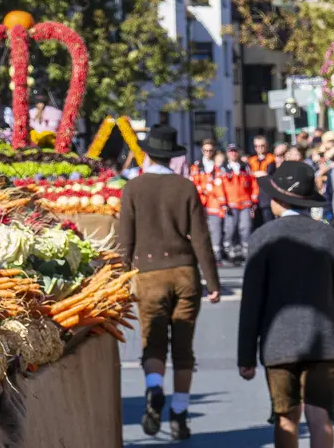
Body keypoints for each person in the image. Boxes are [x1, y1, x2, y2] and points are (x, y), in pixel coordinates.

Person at [238, 161, 334, 448]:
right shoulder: (330, 236)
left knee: (286, 417)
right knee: (321, 417)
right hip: (326, 342)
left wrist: (245, 356)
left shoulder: (263, 238)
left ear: (278, 199)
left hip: (279, 343)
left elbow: (252, 302)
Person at [118, 125, 221, 440]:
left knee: (153, 340)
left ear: (148, 153)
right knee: (184, 348)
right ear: (172, 155)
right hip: (184, 272)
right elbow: (201, 238)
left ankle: (154, 388)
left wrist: (123, 277)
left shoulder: (133, 188)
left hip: (149, 274)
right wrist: (212, 281)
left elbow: (126, 241)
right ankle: (179, 412)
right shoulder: (185, 187)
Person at [220, 144, 258, 263]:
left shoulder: (245, 167)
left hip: (245, 203)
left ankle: (245, 251)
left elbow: (253, 184)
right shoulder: (223, 168)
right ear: (227, 153)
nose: (233, 153)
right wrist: (223, 202)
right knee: (230, 229)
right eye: (231, 151)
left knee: (245, 228)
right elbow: (219, 186)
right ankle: (230, 252)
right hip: (230, 204)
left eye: (235, 151)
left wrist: (254, 200)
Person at [248, 135, 278, 228]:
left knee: (268, 223)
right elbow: (248, 174)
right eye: (257, 146)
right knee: (256, 224)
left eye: (262, 146)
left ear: (266, 146)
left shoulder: (271, 159)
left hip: (266, 196)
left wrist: (254, 173)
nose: (259, 148)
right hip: (254, 196)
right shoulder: (251, 160)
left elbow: (268, 173)